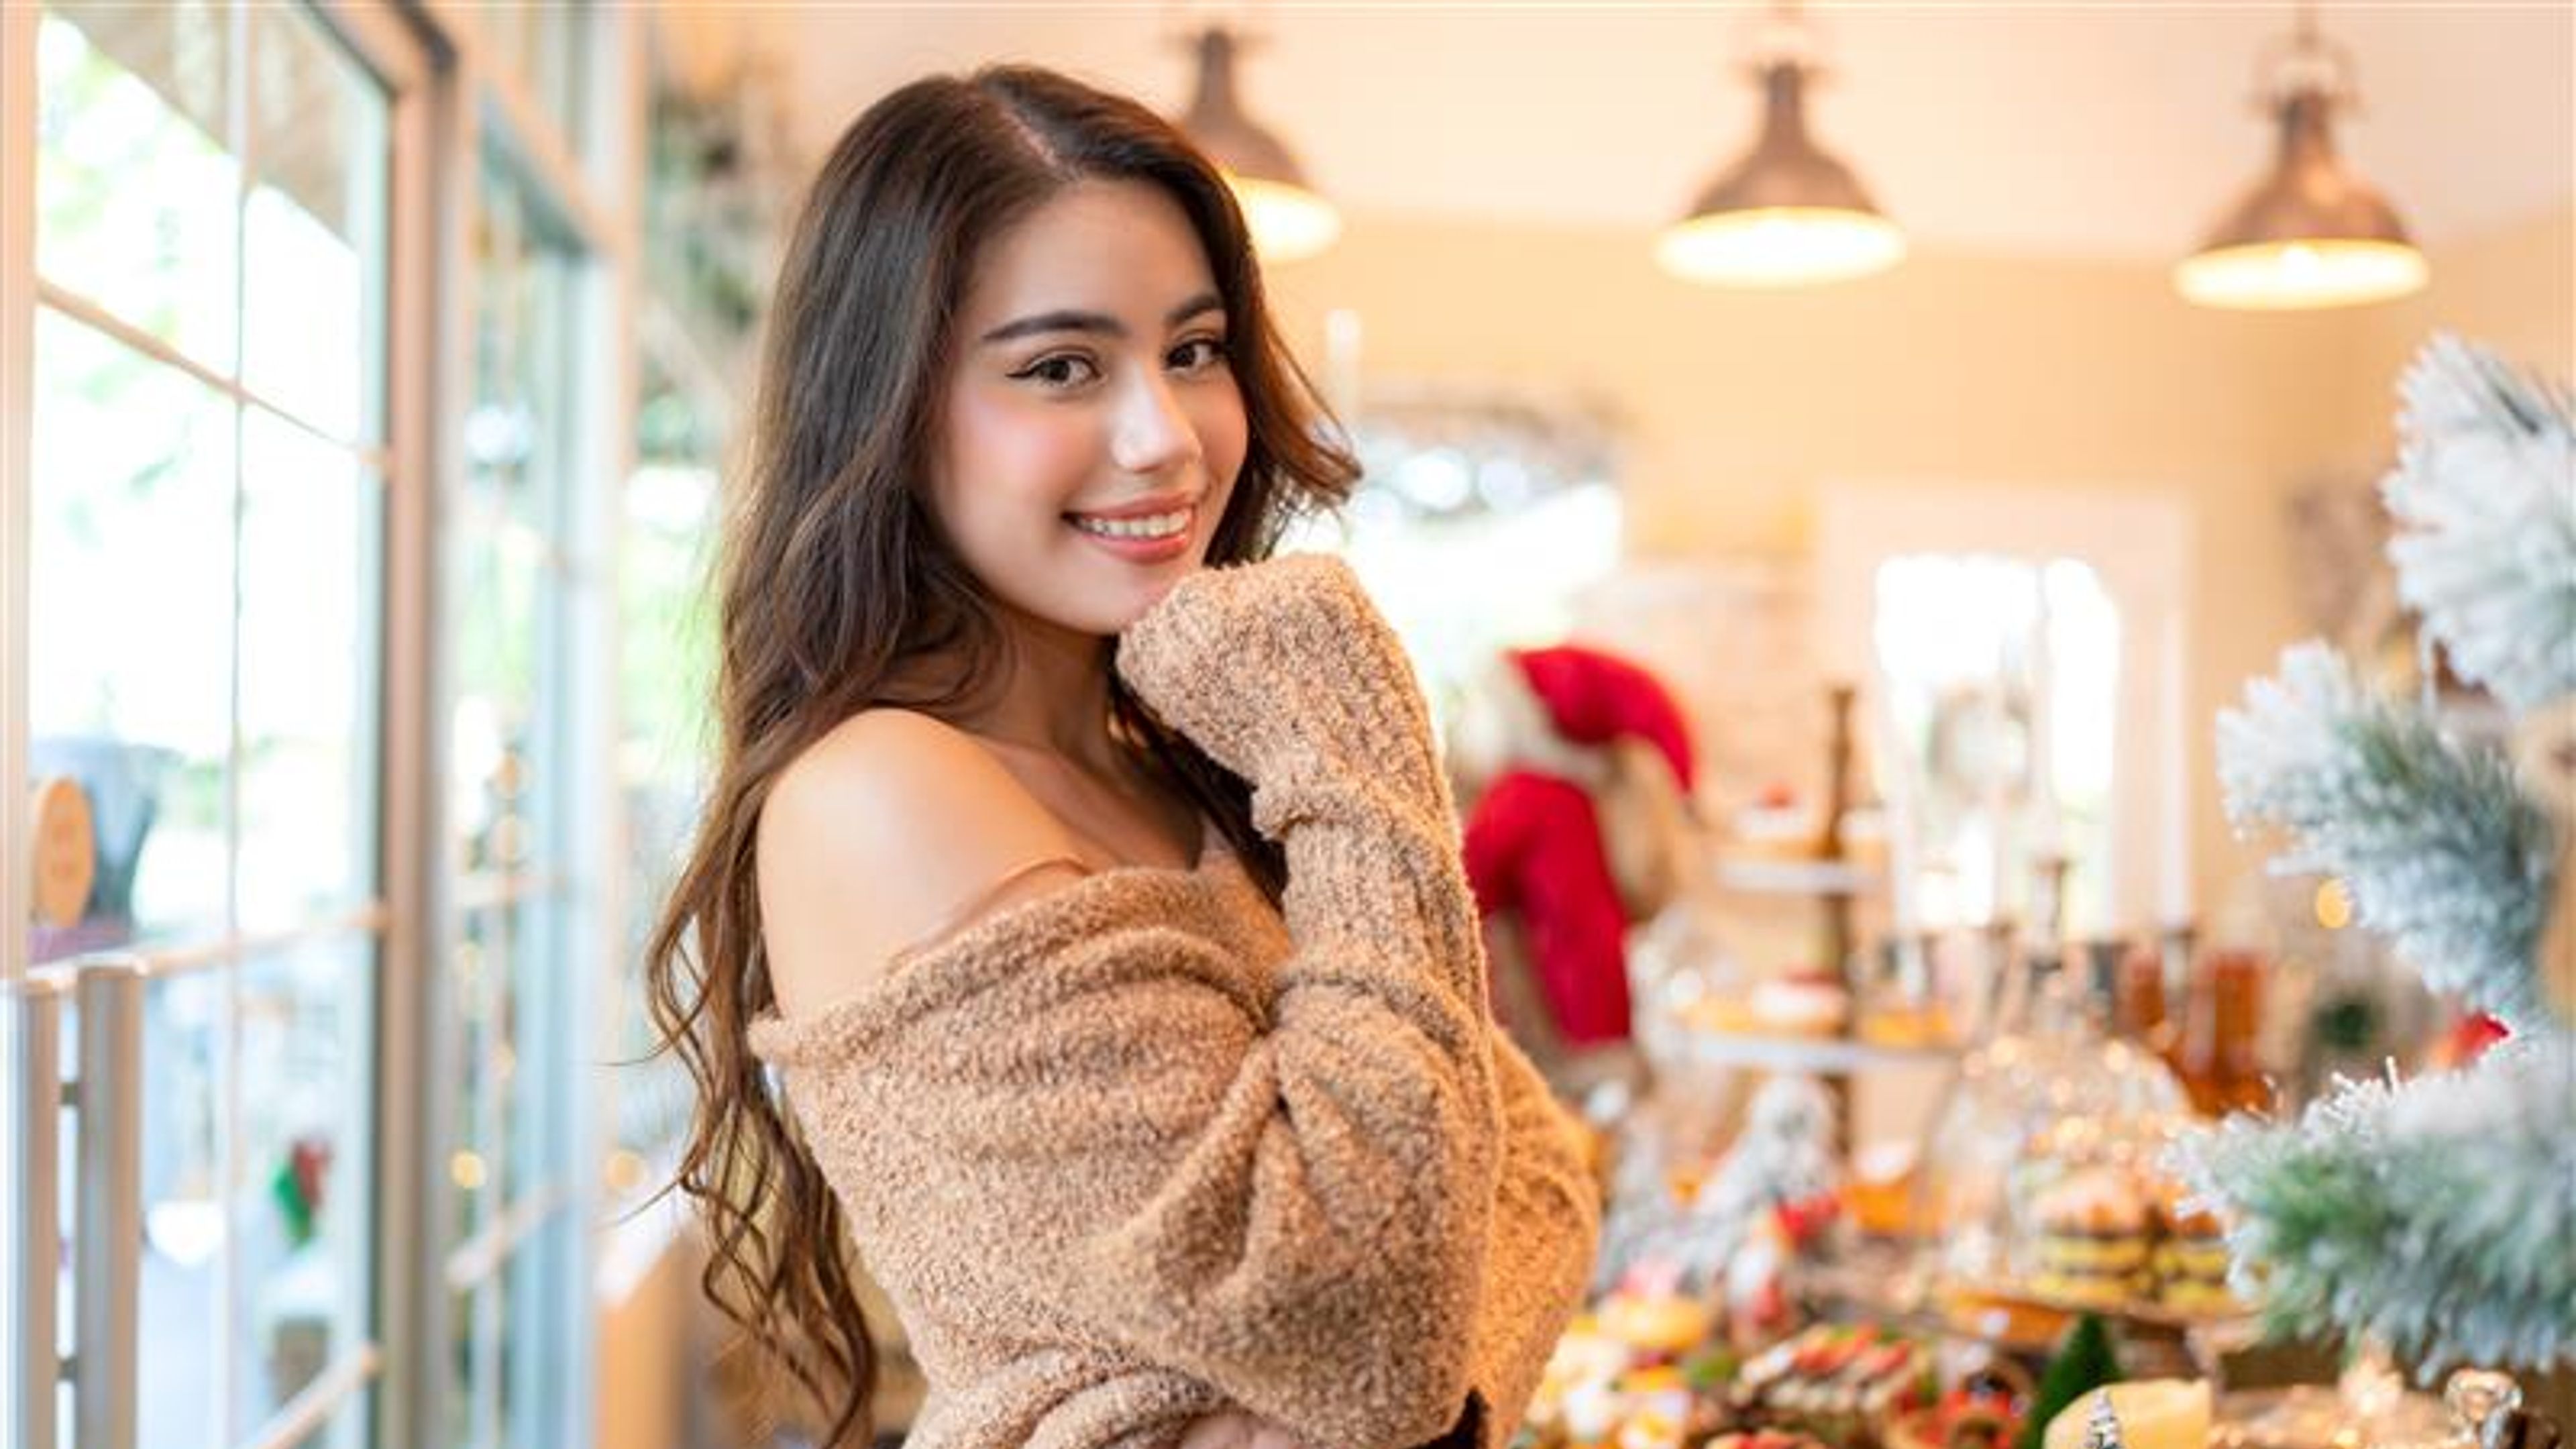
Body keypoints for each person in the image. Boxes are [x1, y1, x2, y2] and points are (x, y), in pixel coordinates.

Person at [645, 65, 1598, 1449]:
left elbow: (1534, 1182)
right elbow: (1376, 1321)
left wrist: (1370, 1395)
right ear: (891, 414)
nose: (1166, 439)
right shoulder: (882, 794)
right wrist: (1358, 764)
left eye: (1194, 351)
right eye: (1060, 368)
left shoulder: (1172, 757)